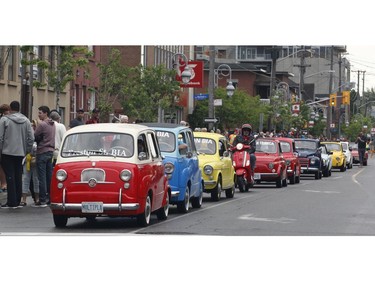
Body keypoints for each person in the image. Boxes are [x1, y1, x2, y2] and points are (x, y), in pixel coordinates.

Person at [0, 101, 34, 209]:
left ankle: (11, 200)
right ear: (19, 108)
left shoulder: (4, 120)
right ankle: (18, 199)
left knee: (10, 175)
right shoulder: (26, 121)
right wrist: (26, 150)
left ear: (10, 108)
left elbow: (0, 137)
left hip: (7, 151)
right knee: (18, 175)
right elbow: (31, 138)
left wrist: (1, 149)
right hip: (20, 152)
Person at [33, 105, 55, 207]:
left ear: (46, 113)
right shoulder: (52, 124)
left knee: (41, 176)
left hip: (42, 151)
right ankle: (50, 197)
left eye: (40, 113)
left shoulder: (42, 125)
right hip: (50, 151)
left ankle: (42, 199)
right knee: (49, 176)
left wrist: (37, 125)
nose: (39, 114)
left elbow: (34, 135)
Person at [20, 119, 40, 206]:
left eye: (34, 126)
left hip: (36, 159)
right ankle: (24, 199)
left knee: (36, 179)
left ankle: (37, 198)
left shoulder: (39, 135)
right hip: (27, 159)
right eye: (32, 126)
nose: (33, 127)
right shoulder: (28, 135)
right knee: (26, 179)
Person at [0, 104, 10, 193]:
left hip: (3, 147)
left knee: (2, 166)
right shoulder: (8, 119)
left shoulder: (3, 119)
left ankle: (3, 184)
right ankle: (4, 184)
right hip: (8, 147)